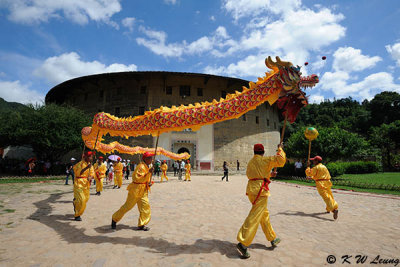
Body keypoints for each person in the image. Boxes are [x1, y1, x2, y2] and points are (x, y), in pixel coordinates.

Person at [236, 143, 286, 259]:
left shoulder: (251, 162)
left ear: (254, 152)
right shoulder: (265, 160)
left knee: (264, 214)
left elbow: (253, 175)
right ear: (263, 152)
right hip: (260, 191)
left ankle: (272, 238)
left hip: (252, 190)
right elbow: (281, 160)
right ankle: (243, 243)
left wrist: (269, 175)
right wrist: (280, 149)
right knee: (254, 216)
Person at [111, 152, 154, 231]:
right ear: (145, 159)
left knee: (145, 206)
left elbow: (145, 179)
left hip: (143, 190)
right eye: (149, 158)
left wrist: (149, 183)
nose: (151, 159)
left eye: (151, 158)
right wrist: (149, 172)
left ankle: (142, 224)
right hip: (135, 189)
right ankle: (114, 218)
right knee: (128, 206)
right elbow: (137, 178)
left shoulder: (148, 167)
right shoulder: (140, 167)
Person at [305, 156, 339, 220]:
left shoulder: (316, 167)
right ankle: (328, 209)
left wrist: (308, 167)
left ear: (317, 161)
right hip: (327, 182)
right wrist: (311, 178)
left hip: (321, 184)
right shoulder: (324, 167)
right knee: (329, 195)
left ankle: (334, 209)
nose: (313, 162)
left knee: (326, 197)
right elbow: (319, 175)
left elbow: (309, 173)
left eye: (314, 160)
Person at [72, 151, 95, 221]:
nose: (91, 157)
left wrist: (90, 177)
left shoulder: (91, 165)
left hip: (86, 184)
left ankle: (75, 203)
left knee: (86, 199)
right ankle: (77, 215)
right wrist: (86, 168)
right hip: (79, 183)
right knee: (82, 200)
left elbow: (92, 174)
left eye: (92, 156)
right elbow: (78, 173)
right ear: (85, 157)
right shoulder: (80, 164)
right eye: (90, 156)